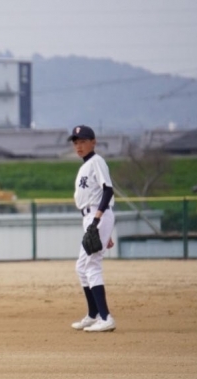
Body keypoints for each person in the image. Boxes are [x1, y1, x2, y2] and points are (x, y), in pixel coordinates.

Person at [69, 125, 117, 332]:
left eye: (83, 141)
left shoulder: (97, 161)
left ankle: (106, 318)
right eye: (76, 142)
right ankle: (93, 314)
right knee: (82, 267)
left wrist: (98, 220)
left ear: (93, 142)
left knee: (91, 266)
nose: (79, 146)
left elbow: (108, 191)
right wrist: (105, 230)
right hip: (93, 218)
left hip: (96, 215)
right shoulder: (86, 165)